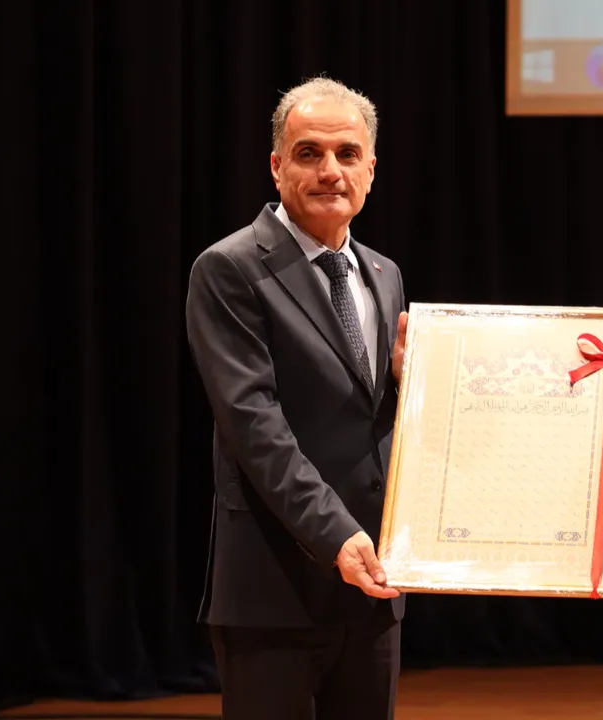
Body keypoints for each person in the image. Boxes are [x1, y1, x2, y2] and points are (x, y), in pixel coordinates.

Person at [184, 76, 407, 720]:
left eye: (347, 154)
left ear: (371, 169)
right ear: (277, 166)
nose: (330, 170)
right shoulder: (229, 268)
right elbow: (255, 426)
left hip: (373, 588)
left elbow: (371, 422)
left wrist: (411, 386)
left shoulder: (385, 273)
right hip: (273, 591)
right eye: (309, 153)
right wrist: (337, 536)